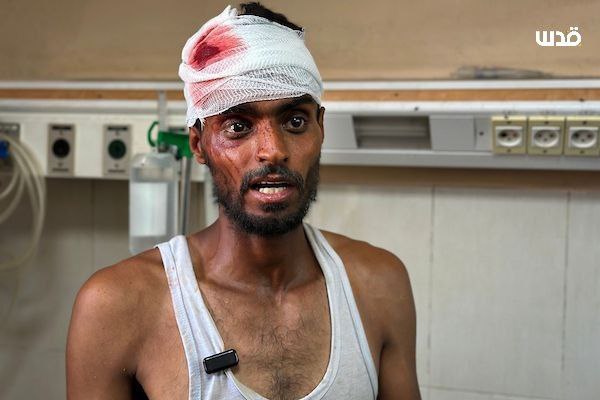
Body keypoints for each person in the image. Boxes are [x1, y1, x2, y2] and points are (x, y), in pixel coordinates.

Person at [66, 3, 421, 399]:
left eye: (295, 121)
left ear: (321, 129)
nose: (273, 150)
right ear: (198, 144)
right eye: (238, 126)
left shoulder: (377, 286)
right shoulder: (118, 306)